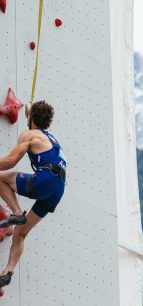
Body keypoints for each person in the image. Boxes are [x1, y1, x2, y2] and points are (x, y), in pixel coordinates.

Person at [0, 101, 67, 288]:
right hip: (58, 189)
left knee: (0, 178)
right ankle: (7, 271)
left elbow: (11, 161)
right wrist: (32, 114)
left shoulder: (29, 135)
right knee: (20, 233)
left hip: (46, 179)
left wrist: (30, 120)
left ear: (31, 117)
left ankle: (16, 212)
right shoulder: (51, 137)